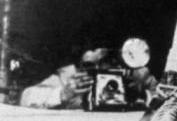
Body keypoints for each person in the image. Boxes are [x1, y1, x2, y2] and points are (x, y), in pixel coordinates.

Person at [19, 46, 156, 110]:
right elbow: (26, 97)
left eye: (105, 62)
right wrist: (63, 93)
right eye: (90, 65)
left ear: (116, 61)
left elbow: (170, 99)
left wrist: (143, 94)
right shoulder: (69, 76)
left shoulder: (136, 75)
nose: (98, 70)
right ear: (79, 65)